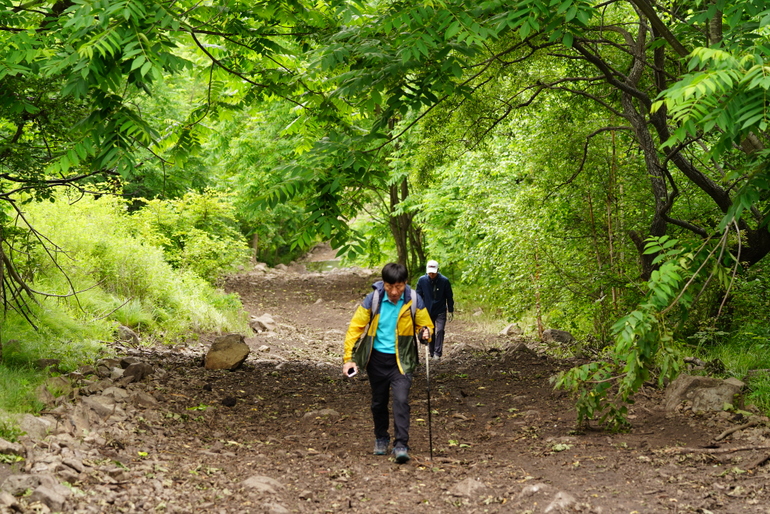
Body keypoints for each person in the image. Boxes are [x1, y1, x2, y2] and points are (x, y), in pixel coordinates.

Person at [342, 263, 434, 463]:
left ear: (405, 283)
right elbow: (355, 328)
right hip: (376, 360)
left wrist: (426, 332)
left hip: (402, 360)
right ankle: (381, 437)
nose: (394, 292)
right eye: (390, 287)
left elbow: (425, 324)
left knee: (401, 400)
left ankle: (401, 445)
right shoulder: (373, 299)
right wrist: (349, 358)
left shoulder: (414, 300)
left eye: (398, 287)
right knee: (378, 402)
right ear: (383, 284)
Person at [416, 260, 454, 362]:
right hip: (427, 311)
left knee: (440, 330)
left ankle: (438, 353)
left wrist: (450, 310)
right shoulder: (422, 281)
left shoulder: (444, 281)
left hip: (441, 310)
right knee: (429, 332)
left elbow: (449, 296)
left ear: (438, 270)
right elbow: (418, 296)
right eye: (430, 272)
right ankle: (432, 352)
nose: (431, 274)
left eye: (433, 272)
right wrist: (418, 310)